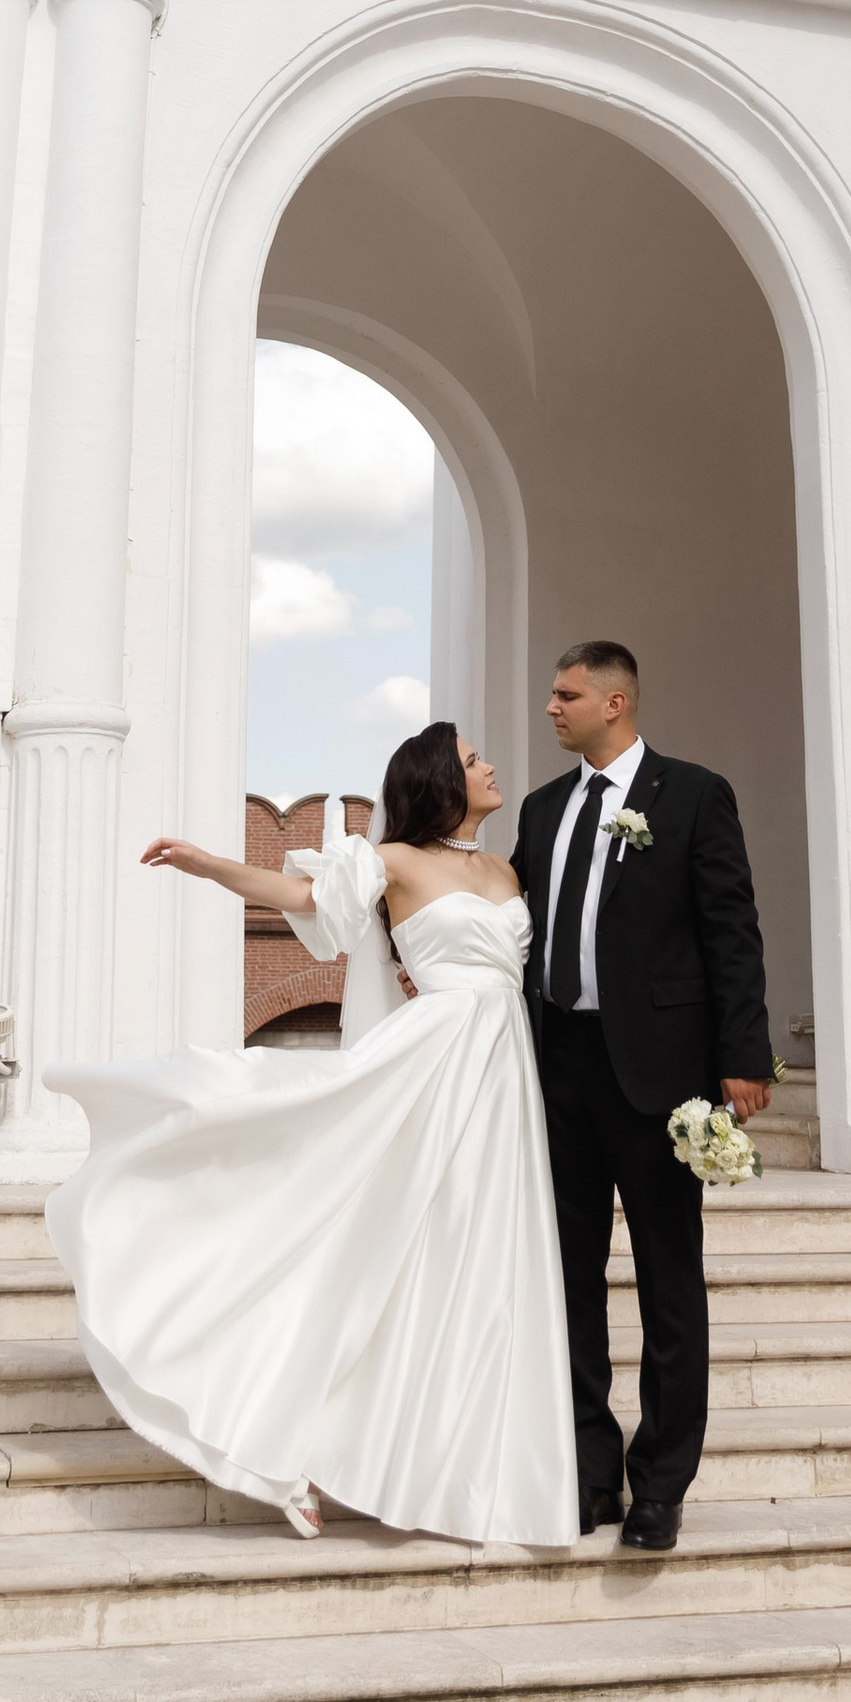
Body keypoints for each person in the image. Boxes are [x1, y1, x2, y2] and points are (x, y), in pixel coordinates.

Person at [43, 720, 576, 1548]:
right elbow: (302, 899)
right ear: (441, 779)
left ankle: (467, 1470)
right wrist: (205, 863)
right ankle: (279, 1440)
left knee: (475, 1255)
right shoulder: (393, 859)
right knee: (372, 1240)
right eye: (474, 761)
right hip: (430, 1061)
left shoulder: (507, 868)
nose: (492, 766)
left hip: (505, 1074)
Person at [515, 639, 773, 1555]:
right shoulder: (545, 811)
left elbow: (730, 931)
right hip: (560, 1071)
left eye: (566, 694)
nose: (552, 707)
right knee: (570, 1279)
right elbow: (518, 929)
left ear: (615, 703)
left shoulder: (693, 795)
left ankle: (662, 1482)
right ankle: (592, 1471)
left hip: (660, 1077)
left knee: (670, 1282)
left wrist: (745, 1057)